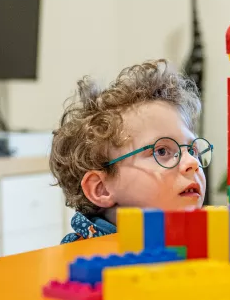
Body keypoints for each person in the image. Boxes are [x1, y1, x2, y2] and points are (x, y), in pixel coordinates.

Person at [49, 59, 212, 244]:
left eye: (192, 150)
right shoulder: (88, 262)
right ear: (101, 188)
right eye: (162, 151)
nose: (192, 162)